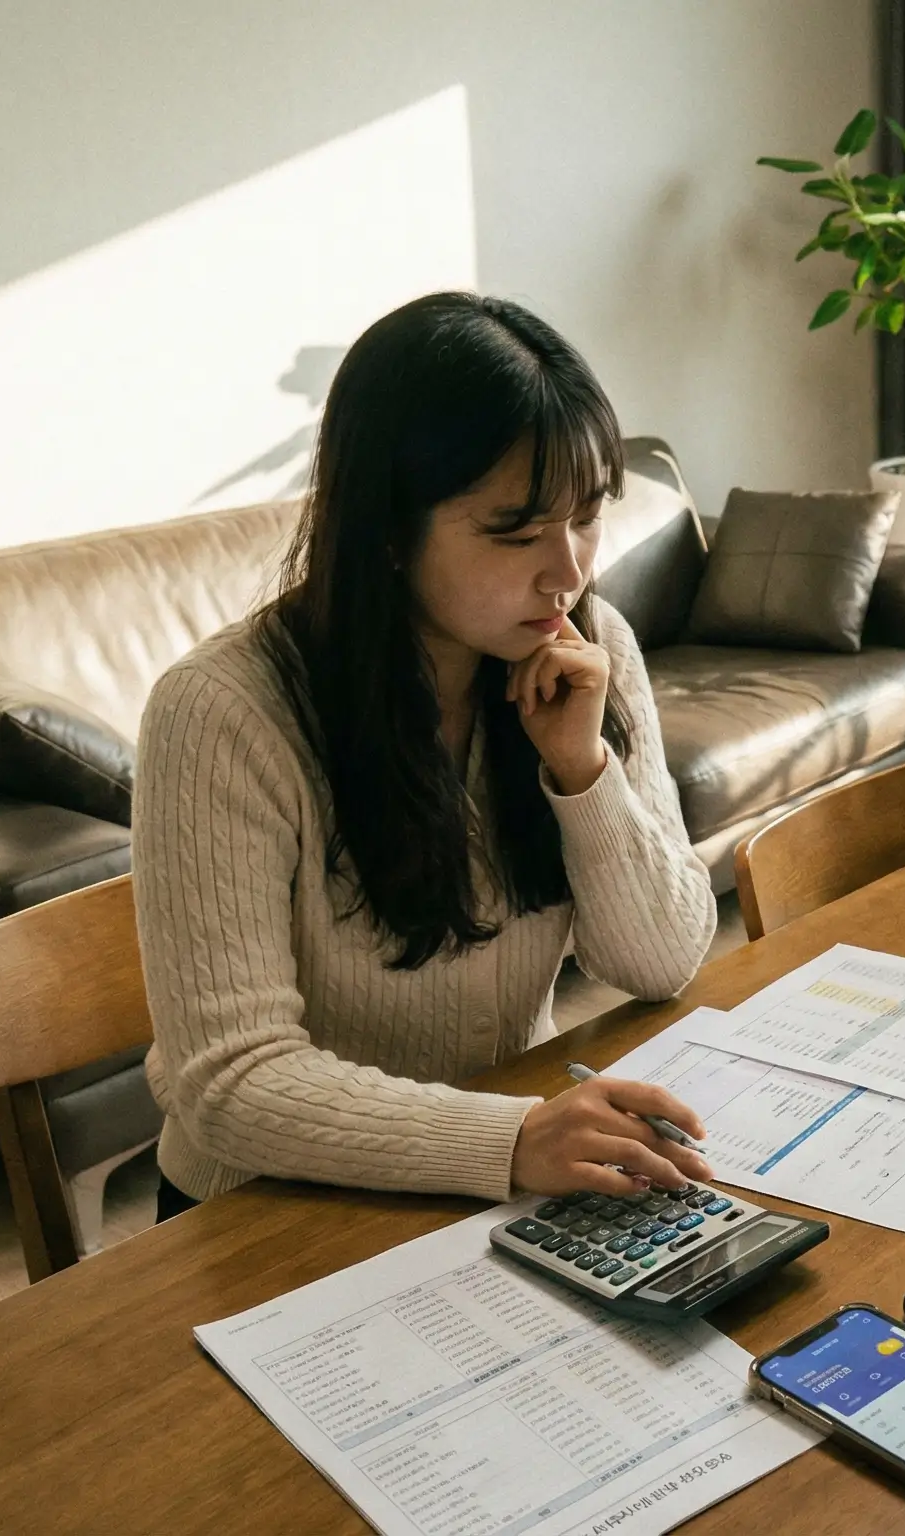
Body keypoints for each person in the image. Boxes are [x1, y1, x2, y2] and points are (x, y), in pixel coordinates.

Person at [136, 292, 718, 1220]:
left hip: (494, 1188)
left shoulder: (588, 644)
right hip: (268, 1214)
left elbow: (659, 960)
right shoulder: (223, 713)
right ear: (387, 532)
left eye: (587, 518)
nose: (567, 571)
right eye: (517, 533)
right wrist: (516, 1138)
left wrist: (582, 771)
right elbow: (231, 1083)